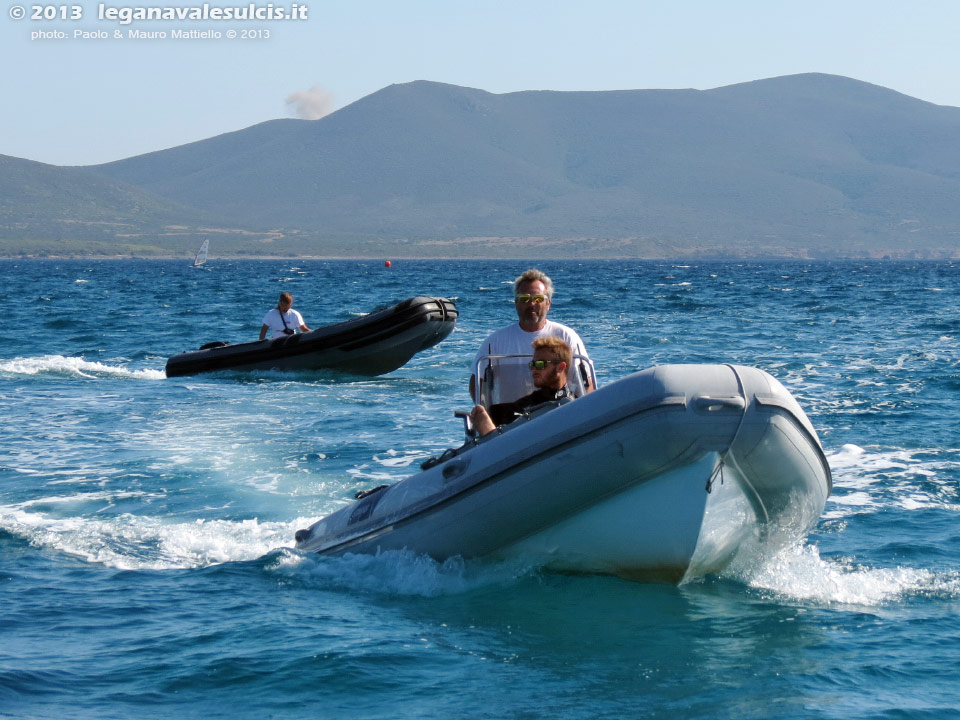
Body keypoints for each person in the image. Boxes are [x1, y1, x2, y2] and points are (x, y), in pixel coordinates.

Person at [470, 268, 593, 405]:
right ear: (516, 303)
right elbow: (477, 383)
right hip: (511, 420)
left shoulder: (567, 337)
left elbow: (586, 384)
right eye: (524, 298)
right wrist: (487, 416)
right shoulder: (494, 343)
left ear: (548, 304)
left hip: (559, 417)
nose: (531, 304)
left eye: (538, 298)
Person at [469, 337, 574, 436]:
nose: (533, 369)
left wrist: (488, 429)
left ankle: (490, 433)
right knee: (496, 412)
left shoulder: (573, 404)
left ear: (560, 367)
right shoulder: (529, 401)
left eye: (540, 364)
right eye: (532, 364)